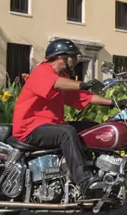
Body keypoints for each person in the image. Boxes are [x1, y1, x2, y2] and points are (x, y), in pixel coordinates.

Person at [12, 39, 118, 197]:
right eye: (73, 57)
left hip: (51, 125)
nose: (75, 61)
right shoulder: (42, 71)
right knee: (66, 133)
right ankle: (84, 181)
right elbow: (56, 83)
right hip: (30, 128)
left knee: (92, 127)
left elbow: (85, 97)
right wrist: (83, 84)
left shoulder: (62, 77)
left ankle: (97, 170)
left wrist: (114, 103)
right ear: (60, 57)